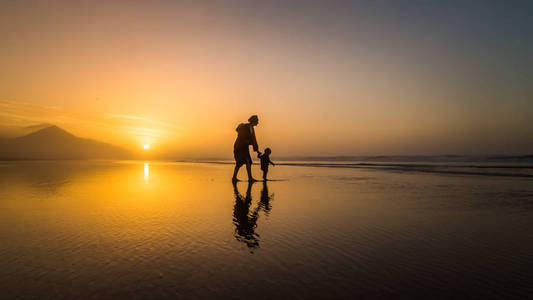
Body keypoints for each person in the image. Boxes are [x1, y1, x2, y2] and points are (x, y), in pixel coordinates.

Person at [232, 115, 260, 182]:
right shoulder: (246, 127)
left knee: (245, 162)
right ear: (254, 121)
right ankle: (248, 178)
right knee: (243, 162)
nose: (258, 122)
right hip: (239, 146)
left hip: (244, 147)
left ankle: (236, 177)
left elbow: (253, 140)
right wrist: (247, 141)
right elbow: (241, 136)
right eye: (257, 121)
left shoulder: (251, 128)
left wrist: (257, 150)